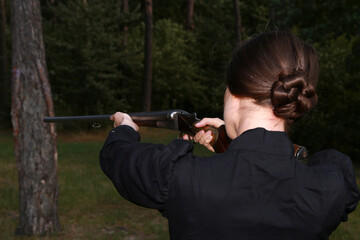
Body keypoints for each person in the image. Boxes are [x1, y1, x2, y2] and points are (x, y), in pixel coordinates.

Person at [99, 31, 360, 240]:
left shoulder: (181, 178)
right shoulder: (330, 188)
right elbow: (307, 169)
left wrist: (124, 128)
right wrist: (232, 141)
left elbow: (121, 158)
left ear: (234, 95)